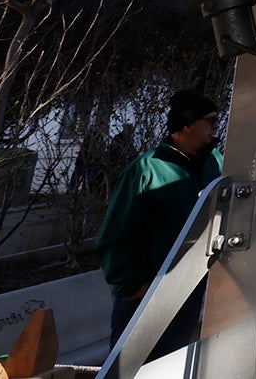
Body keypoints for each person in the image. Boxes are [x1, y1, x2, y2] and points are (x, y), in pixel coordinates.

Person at [96, 89, 223, 353]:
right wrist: (132, 286)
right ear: (187, 125)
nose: (216, 126)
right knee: (132, 362)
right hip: (146, 291)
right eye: (210, 120)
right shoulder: (147, 169)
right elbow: (116, 231)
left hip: (190, 287)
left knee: (172, 360)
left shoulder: (216, 162)